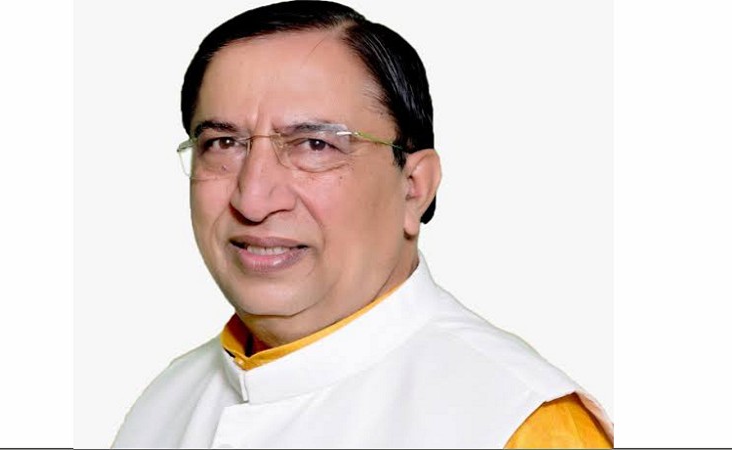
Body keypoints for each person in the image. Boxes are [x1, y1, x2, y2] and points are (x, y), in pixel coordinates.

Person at [112, 1, 613, 447]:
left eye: (315, 145)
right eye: (223, 144)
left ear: (414, 186)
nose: (254, 198)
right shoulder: (163, 405)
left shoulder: (517, 424)